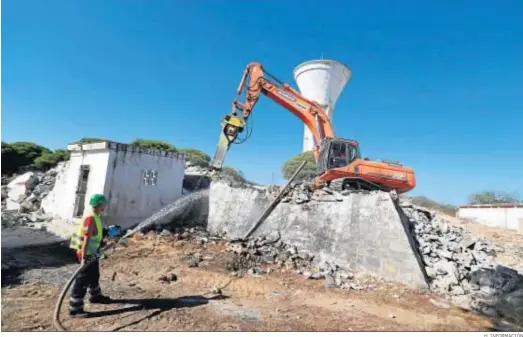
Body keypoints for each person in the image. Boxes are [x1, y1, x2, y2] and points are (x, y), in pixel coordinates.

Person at [68, 193, 111, 317]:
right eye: (103, 204)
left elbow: (95, 234)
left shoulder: (96, 217)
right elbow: (87, 238)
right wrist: (84, 258)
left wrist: (106, 235)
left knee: (94, 275)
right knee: (82, 279)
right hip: (85, 253)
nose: (105, 206)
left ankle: (95, 296)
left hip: (92, 252)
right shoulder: (91, 218)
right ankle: (75, 309)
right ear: (99, 205)